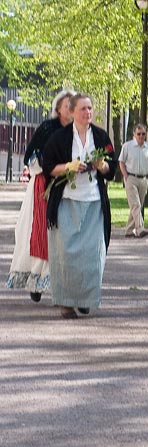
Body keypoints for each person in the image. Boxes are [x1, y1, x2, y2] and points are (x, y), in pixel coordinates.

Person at [40, 93, 118, 319]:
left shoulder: (101, 136)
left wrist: (102, 166)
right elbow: (48, 167)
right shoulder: (60, 138)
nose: (88, 112)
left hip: (94, 202)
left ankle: (85, 299)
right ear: (72, 111)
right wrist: (68, 167)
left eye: (90, 108)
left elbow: (111, 169)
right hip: (67, 201)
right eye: (83, 108)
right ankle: (66, 303)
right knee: (66, 254)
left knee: (93, 254)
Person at [7, 90, 74, 303]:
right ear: (58, 109)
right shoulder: (48, 128)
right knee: (42, 231)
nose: (71, 109)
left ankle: (69, 287)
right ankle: (37, 279)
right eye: (67, 105)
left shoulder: (80, 130)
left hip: (71, 187)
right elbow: (31, 155)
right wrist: (47, 167)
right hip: (44, 185)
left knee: (67, 235)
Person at [119, 123, 148, 238]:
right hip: (131, 178)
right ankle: (140, 228)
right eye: (138, 134)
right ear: (134, 134)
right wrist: (125, 176)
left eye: (143, 134)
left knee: (136, 206)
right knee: (136, 204)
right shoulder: (127, 146)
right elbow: (121, 162)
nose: (141, 136)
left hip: (144, 179)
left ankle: (129, 230)